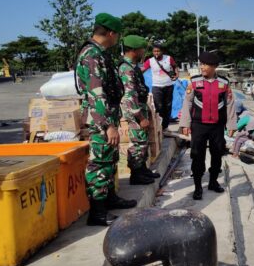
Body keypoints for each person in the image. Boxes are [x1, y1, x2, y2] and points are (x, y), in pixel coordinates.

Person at [75, 13, 136, 226]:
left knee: (109, 160)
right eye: (117, 34)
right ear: (110, 33)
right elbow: (96, 93)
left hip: (106, 115)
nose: (118, 39)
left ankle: (110, 198)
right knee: (99, 163)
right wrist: (108, 125)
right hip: (100, 119)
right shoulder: (92, 55)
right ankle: (98, 213)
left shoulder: (99, 53)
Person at [180, 51, 237, 200]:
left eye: (206, 64)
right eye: (201, 64)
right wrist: (185, 124)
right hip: (198, 125)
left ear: (214, 67)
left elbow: (230, 104)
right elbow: (187, 103)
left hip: (217, 126)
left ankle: (213, 182)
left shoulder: (224, 83)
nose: (202, 67)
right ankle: (198, 186)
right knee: (197, 155)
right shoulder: (194, 82)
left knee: (217, 154)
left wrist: (232, 125)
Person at [118, 35, 160, 186]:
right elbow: (129, 96)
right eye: (142, 49)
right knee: (138, 143)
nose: (144, 52)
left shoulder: (133, 66)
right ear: (134, 50)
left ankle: (142, 169)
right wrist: (141, 117)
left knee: (143, 141)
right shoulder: (126, 68)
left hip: (139, 108)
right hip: (134, 111)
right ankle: (136, 174)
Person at [142, 43, 179, 131]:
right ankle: (160, 125)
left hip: (169, 86)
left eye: (158, 51)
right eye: (154, 51)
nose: (156, 53)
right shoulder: (150, 61)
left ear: (162, 51)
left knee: (168, 106)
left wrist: (177, 74)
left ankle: (165, 126)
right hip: (157, 86)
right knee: (159, 106)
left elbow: (175, 66)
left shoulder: (169, 58)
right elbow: (143, 69)